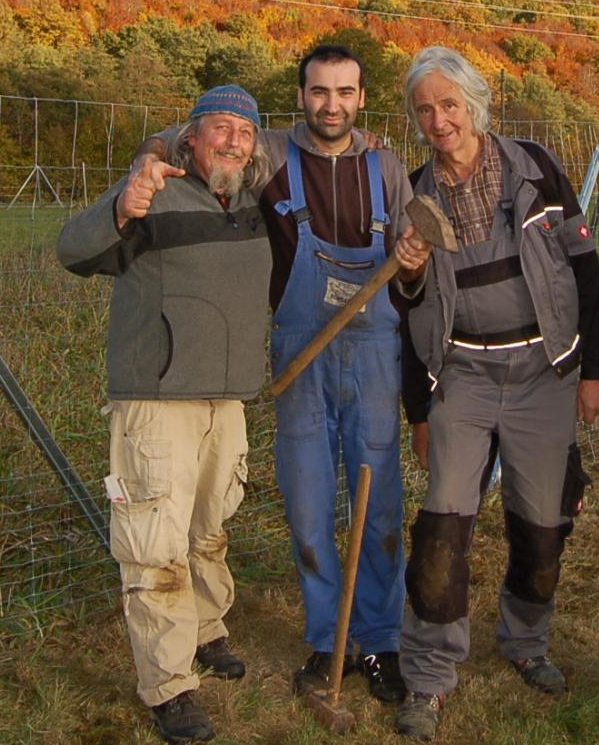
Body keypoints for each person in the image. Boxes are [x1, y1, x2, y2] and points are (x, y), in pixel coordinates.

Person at [128, 45, 424, 704]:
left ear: (360, 97)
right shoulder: (266, 154)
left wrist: (410, 261)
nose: (332, 105)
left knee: (377, 508)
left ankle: (380, 644)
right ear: (302, 95)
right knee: (310, 504)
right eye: (320, 91)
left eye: (345, 92)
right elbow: (188, 135)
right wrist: (149, 157)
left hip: (375, 352)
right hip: (300, 352)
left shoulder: (388, 167)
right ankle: (328, 643)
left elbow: (415, 269)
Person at [387, 46, 599, 741]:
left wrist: (597, 367)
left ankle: (526, 642)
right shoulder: (414, 195)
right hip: (463, 376)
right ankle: (427, 676)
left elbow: (584, 268)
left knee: (542, 522)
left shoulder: (536, 169)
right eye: (424, 109)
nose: (438, 120)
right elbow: (408, 309)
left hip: (543, 372)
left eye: (449, 104)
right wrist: (420, 407)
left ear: (474, 104)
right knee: (442, 526)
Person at [56, 84, 274, 745]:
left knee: (209, 529)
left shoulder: (257, 204)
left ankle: (207, 630)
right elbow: (74, 251)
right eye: (218, 128)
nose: (232, 140)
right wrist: (123, 204)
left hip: (226, 400)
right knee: (155, 545)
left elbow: (327, 141)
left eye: (244, 130)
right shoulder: (152, 194)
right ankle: (170, 685)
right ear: (191, 138)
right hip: (156, 399)